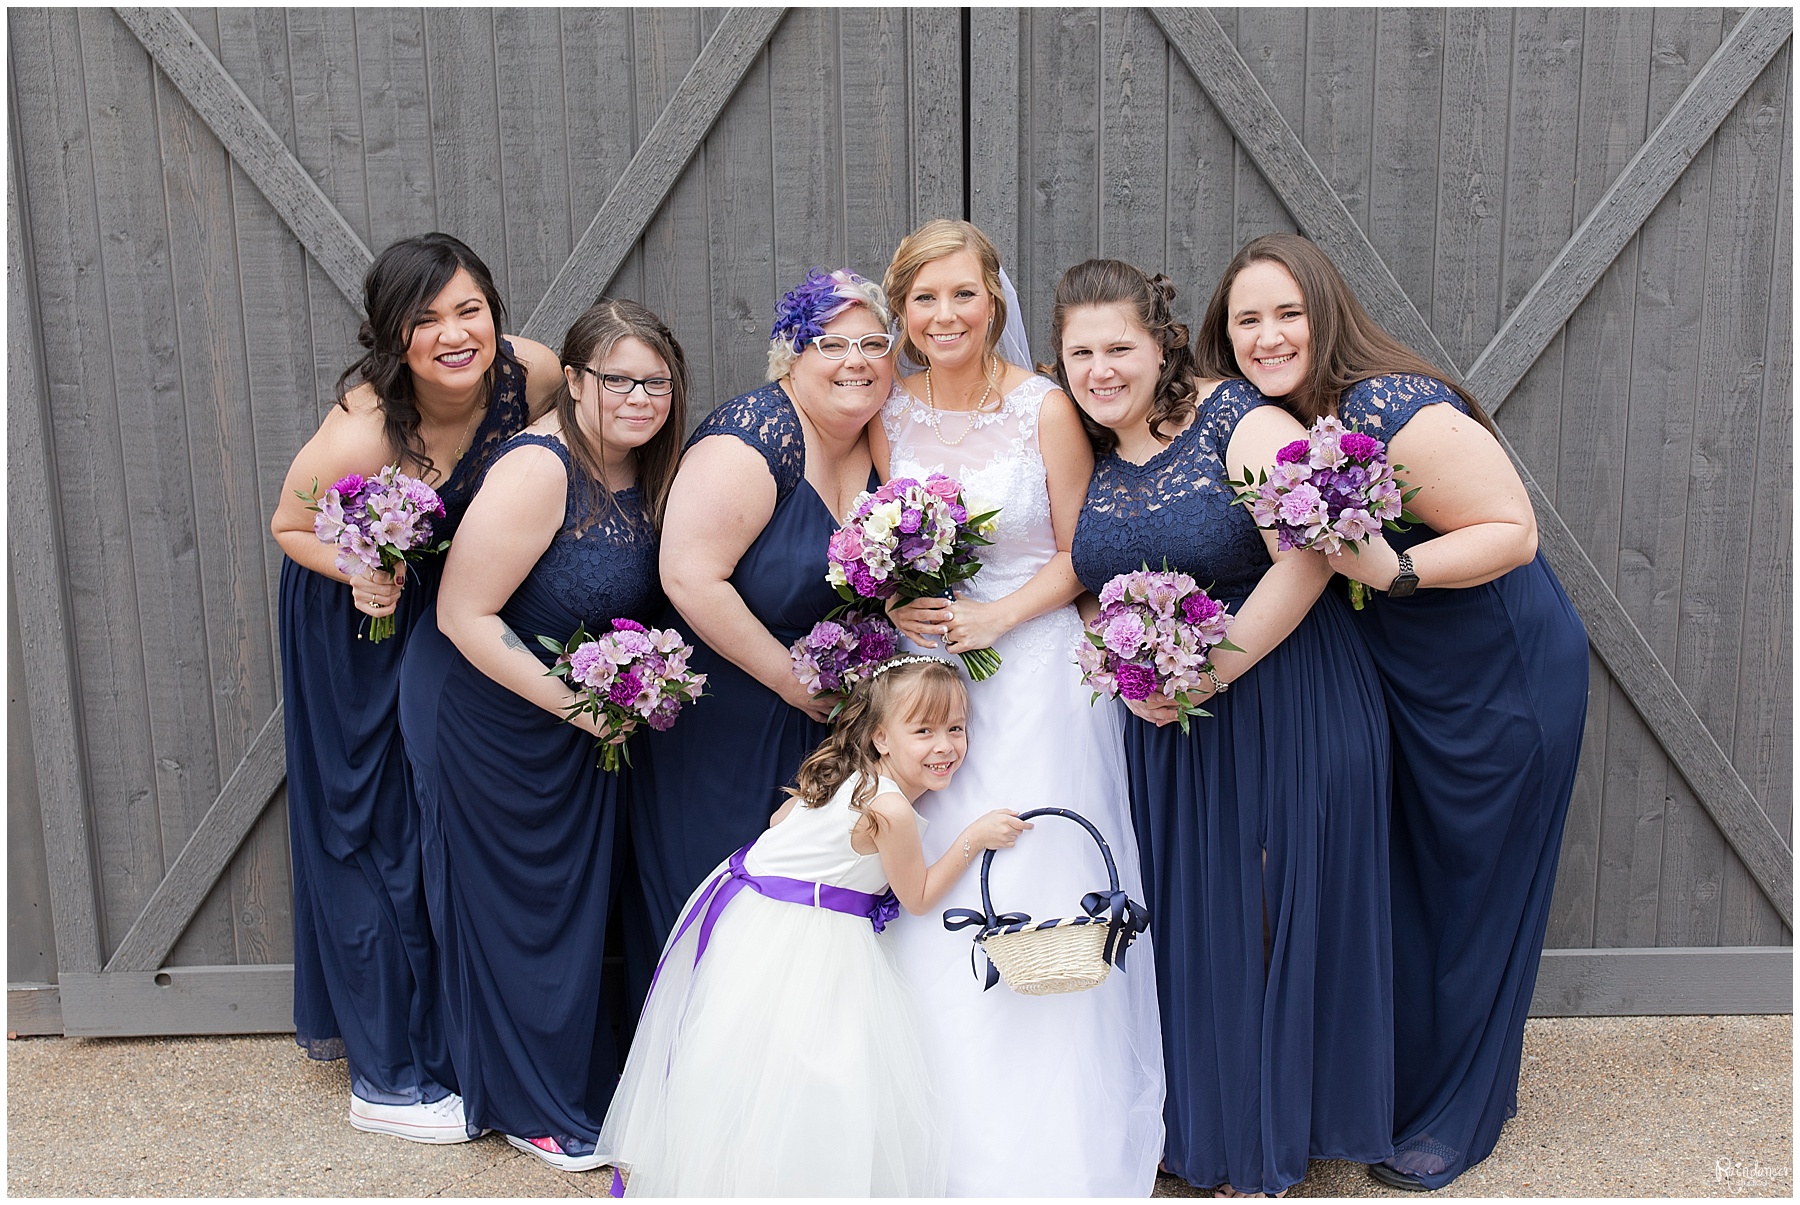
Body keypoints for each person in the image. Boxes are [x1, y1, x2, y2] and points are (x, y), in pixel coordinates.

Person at [1195, 233, 1589, 1192]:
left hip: (1497, 674)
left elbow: (1512, 528)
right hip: (1401, 679)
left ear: (1326, 312)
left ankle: (1460, 1112)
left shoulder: (1389, 408)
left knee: (1477, 884)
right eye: (1247, 319)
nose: (1268, 335)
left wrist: (1398, 566)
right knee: (1411, 877)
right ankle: (1400, 1082)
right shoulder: (1270, 422)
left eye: (1287, 312)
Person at [1056, 258, 1395, 1196]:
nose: (1099, 368)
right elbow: (1088, 576)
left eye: (1117, 345)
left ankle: (1267, 1135)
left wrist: (1208, 666)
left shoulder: (1238, 418)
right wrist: (1123, 667)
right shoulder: (1091, 447)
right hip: (1167, 722)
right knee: (1194, 914)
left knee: (1262, 906)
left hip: (1281, 691)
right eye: (1079, 352)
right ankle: (1197, 1121)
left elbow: (1314, 556)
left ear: (1160, 341)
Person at [875, 222, 1165, 1196]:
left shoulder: (1044, 405)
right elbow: (871, 536)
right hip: (925, 677)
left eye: (964, 293)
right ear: (903, 312)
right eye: (925, 298)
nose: (946, 315)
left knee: (1036, 869)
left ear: (993, 297)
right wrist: (888, 598)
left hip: (1037, 667)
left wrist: (997, 612)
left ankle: (1047, 1140)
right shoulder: (889, 408)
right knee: (931, 879)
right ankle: (932, 1128)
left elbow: (1085, 546)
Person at [269, 233, 560, 1142]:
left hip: (459, 608)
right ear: (393, 336)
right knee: (376, 823)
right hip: (359, 615)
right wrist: (358, 567)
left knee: (454, 818)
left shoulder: (536, 375)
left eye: (469, 308)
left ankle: (464, 1037)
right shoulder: (364, 427)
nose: (454, 333)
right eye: (425, 318)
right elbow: (289, 522)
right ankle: (388, 1073)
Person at [396, 299, 687, 1170]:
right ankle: (528, 1105)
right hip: (484, 712)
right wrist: (580, 705)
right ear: (576, 380)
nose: (640, 397)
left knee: (567, 906)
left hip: (573, 719)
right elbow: (462, 613)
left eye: (657, 381)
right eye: (617, 379)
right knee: (511, 908)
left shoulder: (646, 463)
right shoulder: (540, 468)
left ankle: (565, 1078)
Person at [598, 656, 1030, 1196]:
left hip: (753, 917)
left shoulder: (843, 775)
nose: (944, 745)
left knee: (749, 1066)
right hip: (810, 937)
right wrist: (974, 837)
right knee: (822, 1068)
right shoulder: (889, 809)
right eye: (923, 730)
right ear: (881, 738)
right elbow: (917, 896)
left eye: (956, 728)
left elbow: (780, 823)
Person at [632, 269, 895, 989]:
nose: (856, 360)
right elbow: (688, 576)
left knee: (808, 925)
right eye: (831, 343)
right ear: (790, 355)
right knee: (727, 909)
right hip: (731, 720)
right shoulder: (754, 439)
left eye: (875, 341)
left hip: (825, 725)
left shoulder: (883, 438)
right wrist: (791, 679)